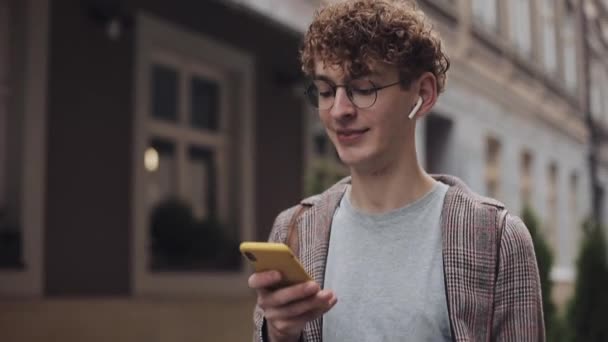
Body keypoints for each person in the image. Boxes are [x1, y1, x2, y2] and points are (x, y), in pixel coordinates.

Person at [248, 0, 545, 341]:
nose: (339, 110)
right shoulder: (294, 231)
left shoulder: (495, 237)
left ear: (423, 94)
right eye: (327, 91)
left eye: (363, 89)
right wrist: (279, 334)